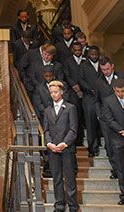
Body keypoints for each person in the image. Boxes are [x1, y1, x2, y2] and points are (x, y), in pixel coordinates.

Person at [43, 80, 79, 212]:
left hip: (67, 148)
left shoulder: (70, 108)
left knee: (70, 178)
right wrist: (49, 143)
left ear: (61, 92)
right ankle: (59, 204)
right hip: (53, 149)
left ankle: (73, 205)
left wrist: (64, 143)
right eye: (51, 92)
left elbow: (73, 129)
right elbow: (46, 130)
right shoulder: (47, 110)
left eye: (56, 92)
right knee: (57, 178)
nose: (53, 94)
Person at [94, 57, 124, 179]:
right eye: (103, 69)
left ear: (112, 66)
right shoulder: (98, 81)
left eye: (107, 69)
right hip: (106, 119)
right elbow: (96, 100)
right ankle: (116, 169)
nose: (106, 71)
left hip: (122, 116)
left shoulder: (121, 77)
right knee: (110, 145)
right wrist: (99, 115)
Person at [79, 46, 101, 157]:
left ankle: (105, 146)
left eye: (96, 54)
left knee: (104, 122)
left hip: (102, 98)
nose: (94, 56)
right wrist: (90, 90)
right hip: (89, 98)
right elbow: (80, 80)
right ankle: (92, 149)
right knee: (90, 124)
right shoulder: (83, 66)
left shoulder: (102, 64)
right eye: (92, 54)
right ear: (88, 55)